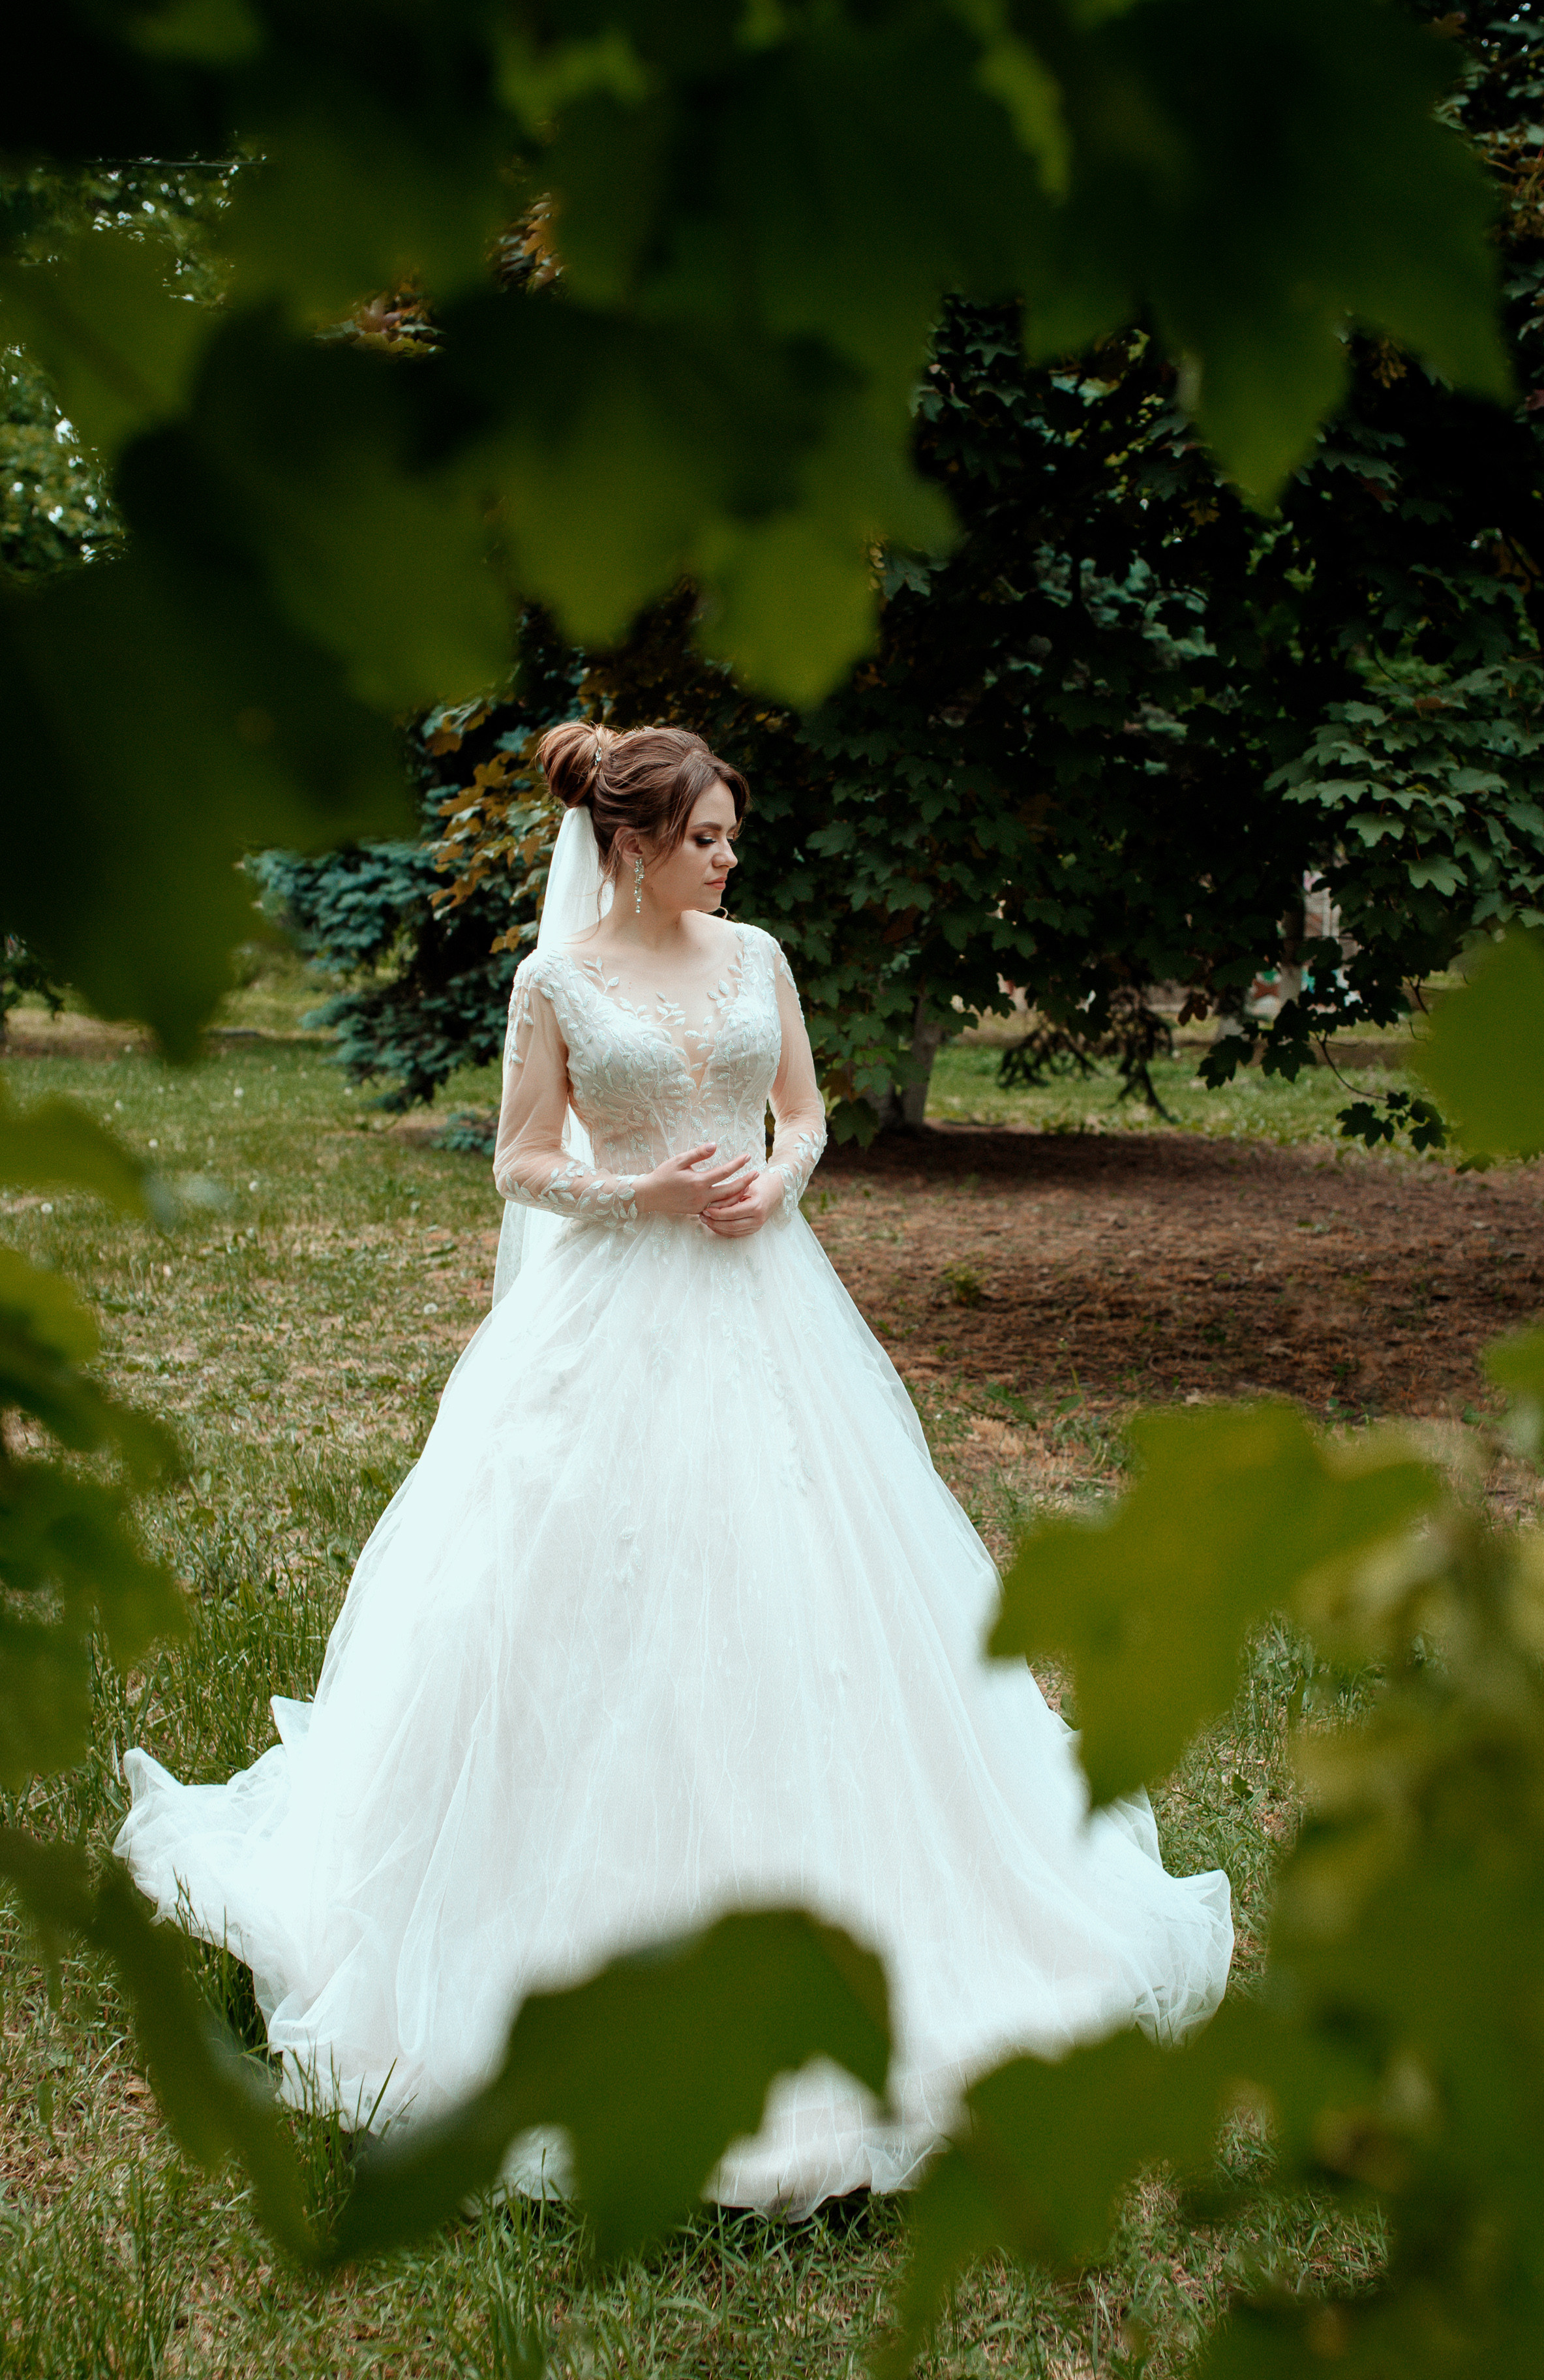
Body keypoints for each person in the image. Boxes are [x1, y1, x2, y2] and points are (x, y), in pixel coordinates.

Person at [115, 722, 1232, 2212]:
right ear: (631, 844)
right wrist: (638, 1189)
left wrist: (774, 1179)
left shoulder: (754, 953)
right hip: (609, 1316)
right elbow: (520, 1163)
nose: (727, 857)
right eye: (704, 836)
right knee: (576, 1597)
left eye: (730, 837)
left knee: (811, 1588)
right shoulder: (555, 981)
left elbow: (806, 1113)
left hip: (768, 1308)